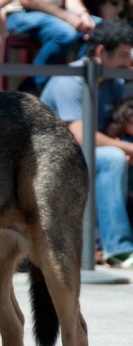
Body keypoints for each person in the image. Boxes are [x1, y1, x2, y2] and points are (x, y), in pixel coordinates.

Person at [41, 18, 133, 268]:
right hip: (52, 159)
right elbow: (80, 137)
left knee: (116, 157)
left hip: (89, 156)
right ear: (102, 52)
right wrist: (125, 148)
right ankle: (118, 248)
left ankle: (105, 245)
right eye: (124, 56)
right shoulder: (69, 79)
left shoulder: (114, 81)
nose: (129, 63)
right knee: (114, 158)